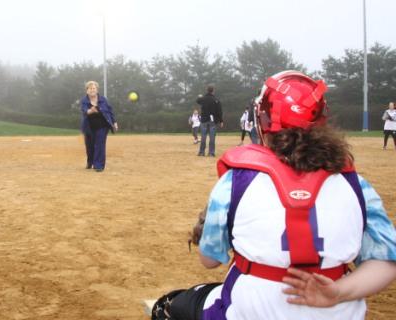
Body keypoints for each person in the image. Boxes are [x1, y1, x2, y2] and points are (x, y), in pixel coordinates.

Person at [152, 71, 396, 320]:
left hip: (249, 311)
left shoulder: (235, 182)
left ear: (263, 120)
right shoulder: (356, 186)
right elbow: (387, 262)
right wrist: (338, 292)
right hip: (337, 310)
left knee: (172, 305)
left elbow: (210, 260)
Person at [80, 81, 118, 172]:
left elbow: (110, 111)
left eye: (94, 88)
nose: (92, 90)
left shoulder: (103, 99)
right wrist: (90, 111)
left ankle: (98, 165)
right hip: (89, 126)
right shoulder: (84, 100)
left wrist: (114, 122)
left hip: (102, 125)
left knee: (100, 145)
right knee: (90, 146)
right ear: (87, 91)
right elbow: (85, 111)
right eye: (90, 88)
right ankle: (90, 162)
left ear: (97, 90)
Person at [196, 85, 223, 157]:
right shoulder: (216, 100)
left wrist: (200, 96)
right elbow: (219, 111)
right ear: (213, 91)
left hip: (204, 120)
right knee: (212, 137)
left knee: (203, 137)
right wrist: (221, 121)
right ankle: (211, 153)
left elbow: (198, 101)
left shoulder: (203, 99)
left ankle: (201, 152)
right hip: (212, 121)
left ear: (207, 90)